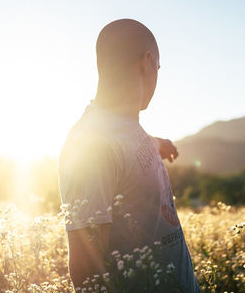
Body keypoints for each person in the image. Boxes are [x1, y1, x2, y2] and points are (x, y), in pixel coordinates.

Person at [58, 19, 201, 292]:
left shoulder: (124, 124)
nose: (157, 76)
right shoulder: (92, 145)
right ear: (146, 62)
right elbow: (87, 271)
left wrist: (159, 144)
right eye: (157, 68)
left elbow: (130, 150)